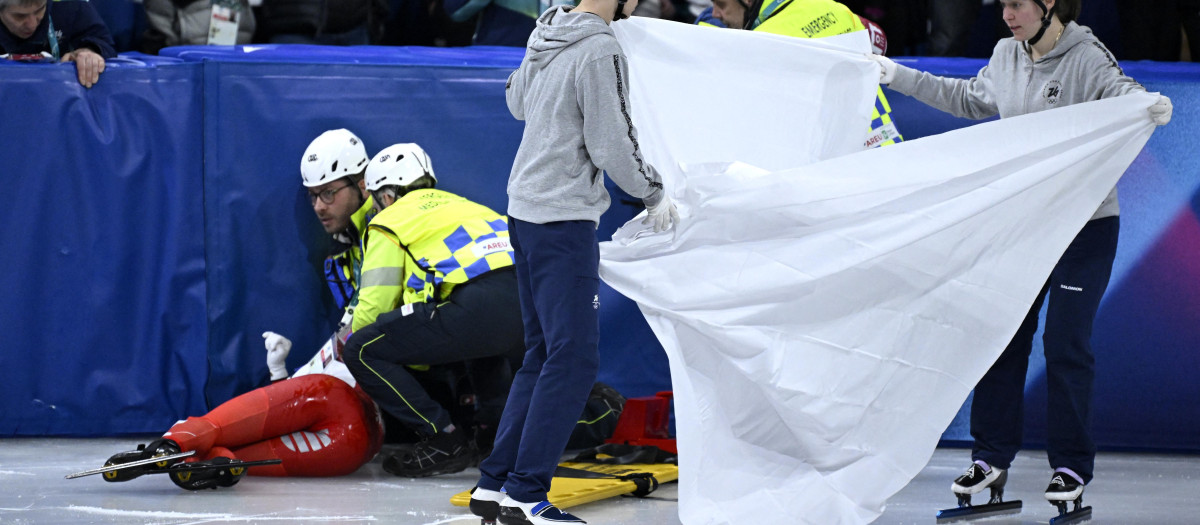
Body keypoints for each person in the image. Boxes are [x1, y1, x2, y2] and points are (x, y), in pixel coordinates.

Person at [869, 0, 1173, 516]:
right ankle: (991, 458)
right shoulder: (1007, 54)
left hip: (1084, 229)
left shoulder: (1087, 56)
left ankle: (1071, 465)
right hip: (1025, 227)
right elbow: (968, 97)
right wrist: (897, 75)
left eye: (1016, 4)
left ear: (1050, 4)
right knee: (1002, 335)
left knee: (1066, 344)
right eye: (1002, 4)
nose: (1006, 14)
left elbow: (1124, 93)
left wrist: (1145, 106)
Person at [467, 0, 678, 523]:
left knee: (543, 354)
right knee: (574, 357)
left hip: (525, 212)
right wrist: (654, 193)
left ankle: (494, 485)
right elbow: (612, 145)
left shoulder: (546, 32)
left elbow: (515, 101)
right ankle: (525, 492)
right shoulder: (600, 48)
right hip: (562, 222)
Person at [95, 130, 389, 489]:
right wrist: (282, 377)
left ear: (363, 185)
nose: (318, 206)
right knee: (234, 453)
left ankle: (178, 440)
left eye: (328, 193)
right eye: (313, 196)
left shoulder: (383, 234)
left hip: (350, 413)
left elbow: (351, 350)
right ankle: (203, 455)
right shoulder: (348, 251)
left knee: (326, 390)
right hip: (360, 442)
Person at [341, 142, 524, 478]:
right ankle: (496, 436)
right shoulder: (470, 206)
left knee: (362, 349)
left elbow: (373, 307)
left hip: (478, 308)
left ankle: (443, 438)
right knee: (484, 342)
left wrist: (347, 349)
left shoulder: (389, 221)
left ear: (387, 196)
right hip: (532, 307)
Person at [706, 0, 903, 148]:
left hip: (831, 165)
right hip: (885, 143)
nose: (715, 13)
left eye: (721, 3)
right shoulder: (832, 7)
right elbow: (880, 44)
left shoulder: (757, 44)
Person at [0, 0, 115, 88]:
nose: (32, 25)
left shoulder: (70, 5)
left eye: (40, 10)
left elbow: (102, 40)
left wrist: (89, 51)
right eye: (20, 16)